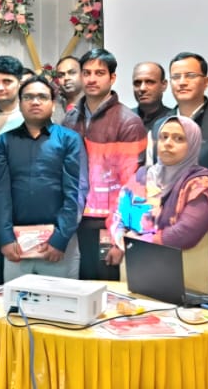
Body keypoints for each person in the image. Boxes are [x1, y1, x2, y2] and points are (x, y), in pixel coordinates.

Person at [113, 116, 208, 296]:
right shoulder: (142, 176)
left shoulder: (200, 184)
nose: (168, 143)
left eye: (179, 139)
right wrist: (121, 239)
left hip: (183, 278)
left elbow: (185, 234)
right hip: (136, 271)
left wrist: (137, 242)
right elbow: (120, 216)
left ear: (193, 145)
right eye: (163, 137)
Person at [61, 49, 148, 281]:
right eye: (86, 73)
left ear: (112, 78)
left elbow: (133, 184)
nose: (91, 79)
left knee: (104, 289)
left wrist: (121, 237)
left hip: (107, 224)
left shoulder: (128, 122)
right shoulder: (70, 119)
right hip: (74, 220)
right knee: (75, 289)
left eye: (99, 73)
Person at [0, 77, 86, 281]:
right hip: (16, 246)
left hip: (59, 244)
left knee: (61, 301)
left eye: (42, 97)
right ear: (20, 104)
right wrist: (5, 238)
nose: (35, 102)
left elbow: (76, 193)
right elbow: (0, 193)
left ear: (53, 104)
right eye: (28, 97)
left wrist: (60, 239)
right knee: (16, 301)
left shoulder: (69, 140)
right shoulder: (4, 142)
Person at [149, 52, 208, 195]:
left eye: (190, 76)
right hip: (159, 206)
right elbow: (150, 178)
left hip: (205, 206)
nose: (182, 82)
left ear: (206, 82)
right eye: (176, 77)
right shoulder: (158, 127)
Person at [131, 62, 171, 131]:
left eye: (149, 82)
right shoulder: (122, 120)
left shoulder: (174, 120)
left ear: (164, 85)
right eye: (137, 83)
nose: (142, 88)